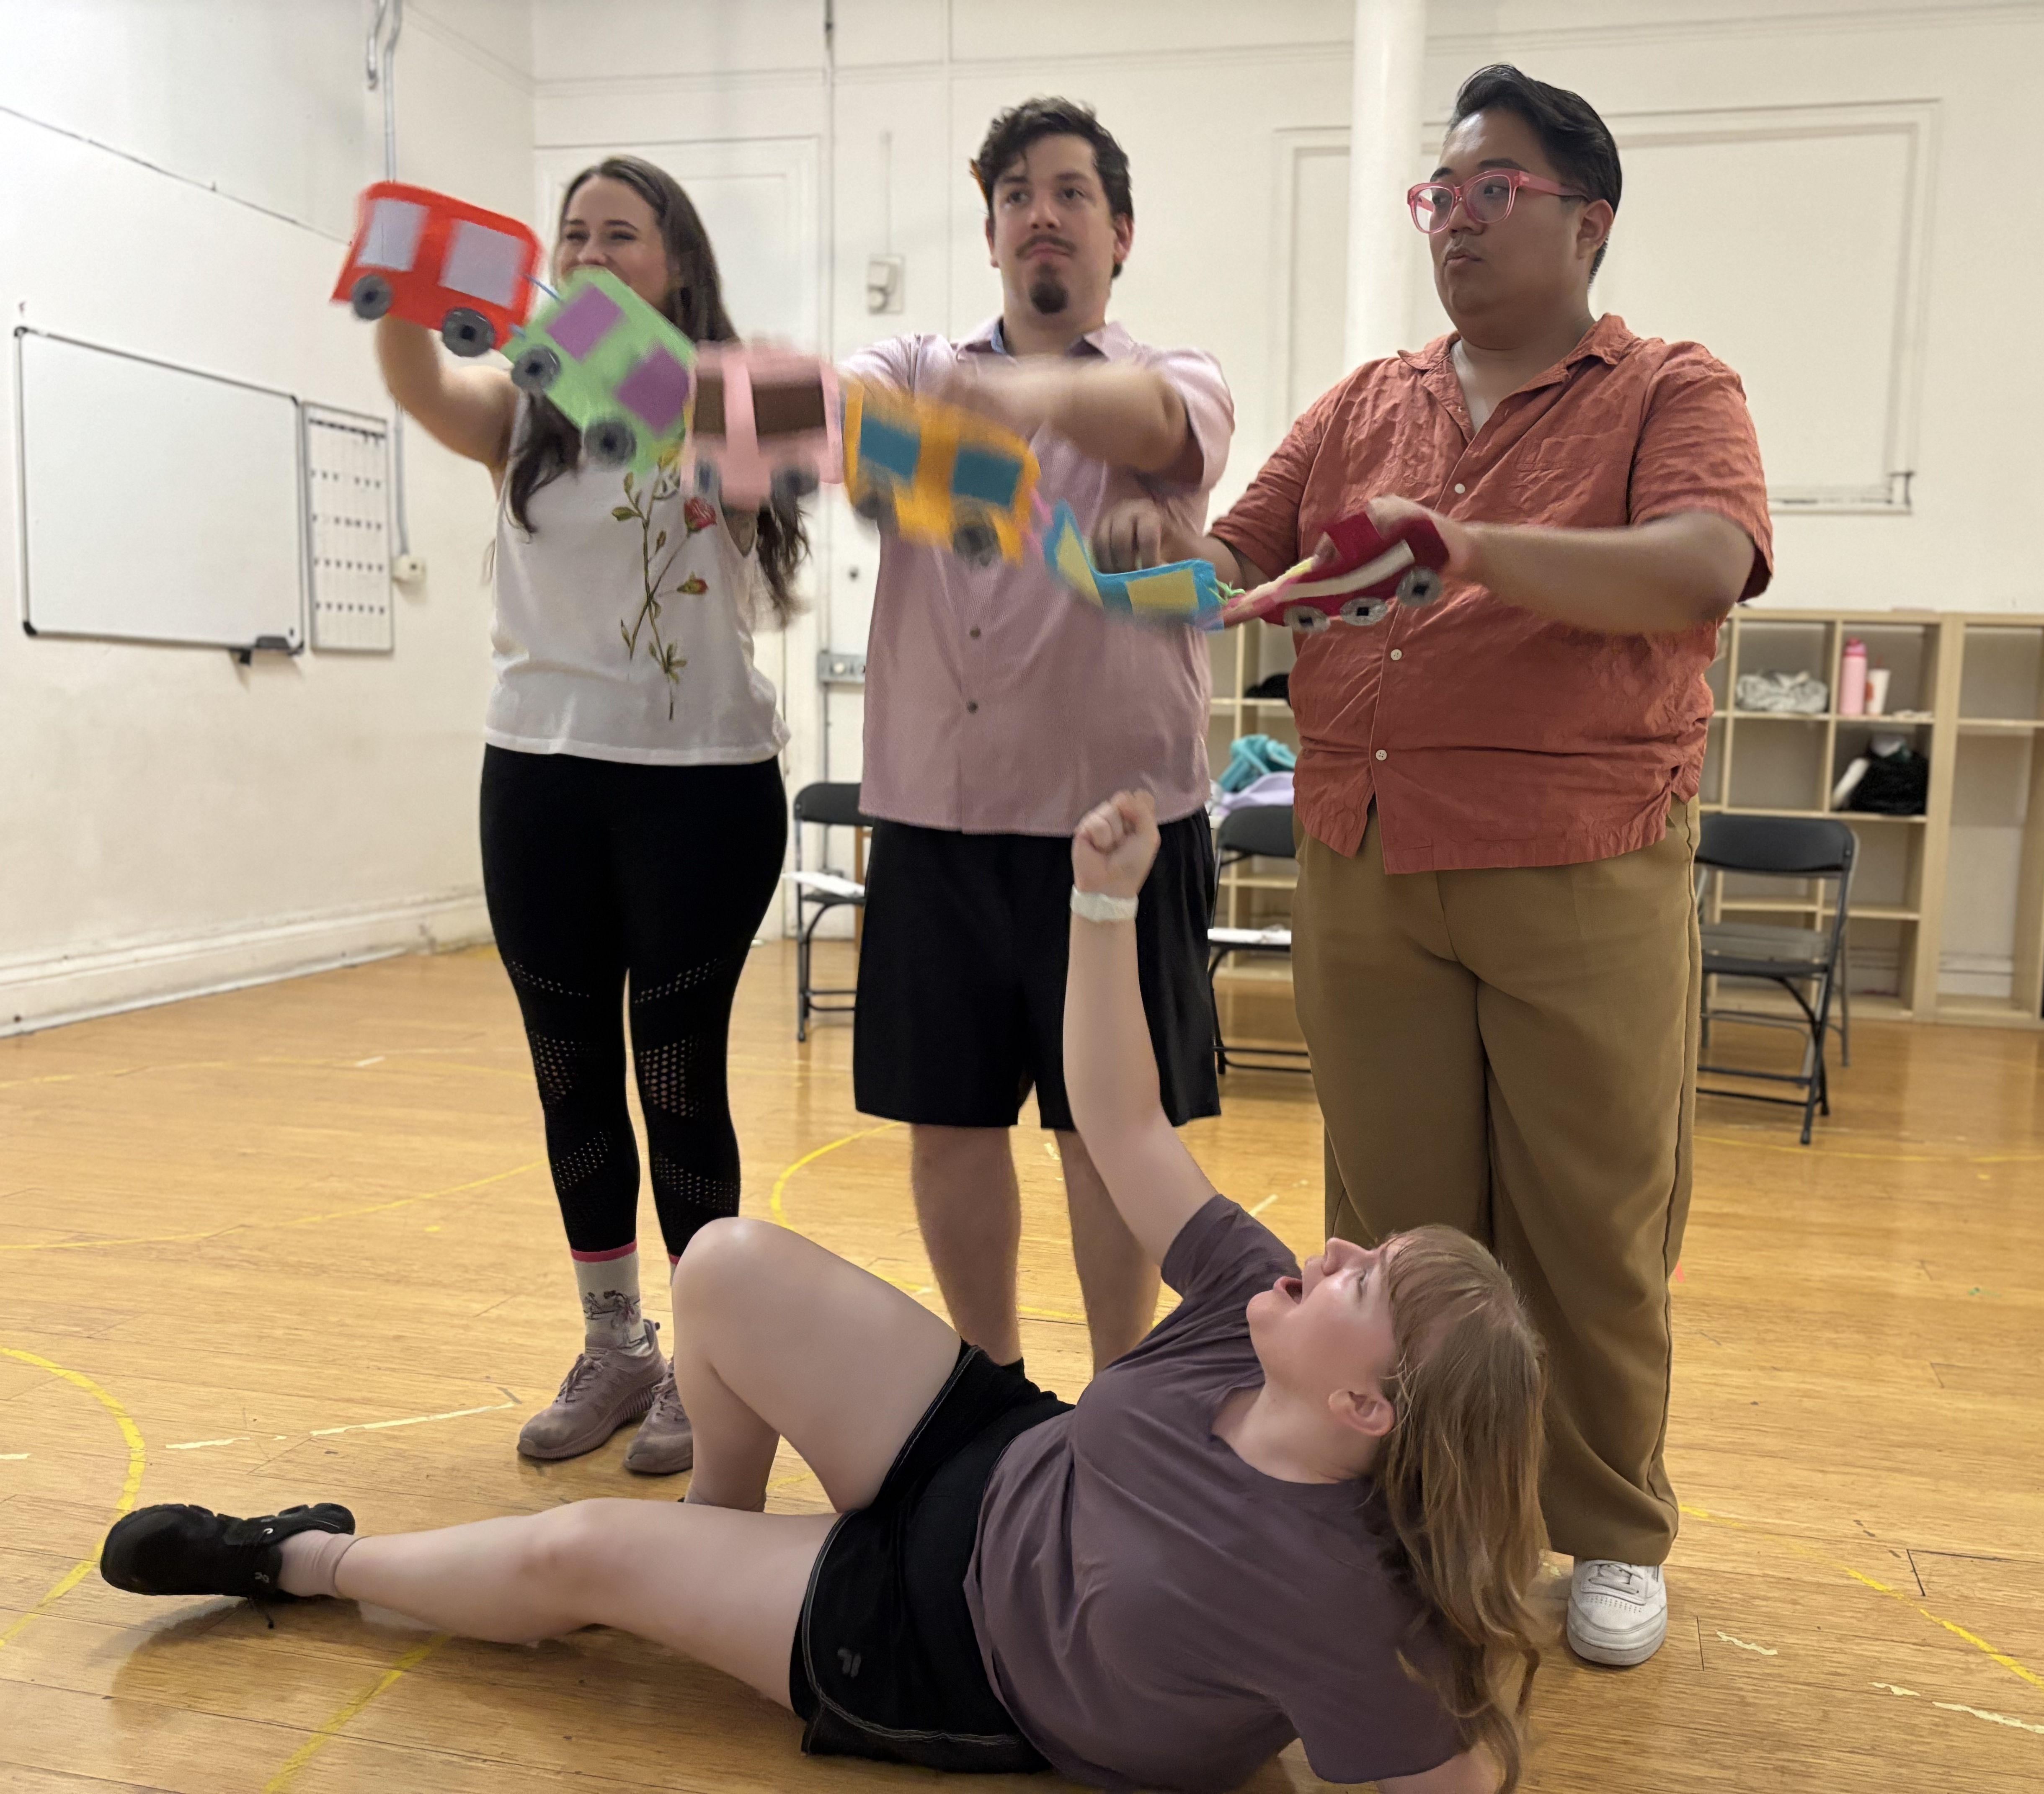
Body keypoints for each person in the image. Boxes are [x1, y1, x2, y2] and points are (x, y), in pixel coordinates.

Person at [100, 791, 1550, 1794]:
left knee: (575, 1560)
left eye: (1378, 1279)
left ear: (1368, 1402)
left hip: (945, 1648)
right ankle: (714, 1552)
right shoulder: (1253, 1292)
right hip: (995, 1454)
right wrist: (1101, 901)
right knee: (717, 1261)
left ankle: (297, 1560)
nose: (1345, 1247)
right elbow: (1117, 1115)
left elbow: (1455, 1766)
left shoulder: (1352, 1612)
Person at [1095, 65, 1774, 1668]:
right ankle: (1413, 1514)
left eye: (1494, 191)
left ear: (1586, 222)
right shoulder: (1364, 402)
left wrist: (1470, 550)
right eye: (1441, 194)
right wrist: (1138, 565)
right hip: (1365, 854)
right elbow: (1238, 556)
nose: (1455, 222)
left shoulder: (1672, 387)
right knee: (1394, 1237)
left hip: (1580, 859)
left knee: (1587, 1222)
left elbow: (1703, 561)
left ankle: (1607, 1528)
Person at [374, 157, 803, 1474]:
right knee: (570, 1071)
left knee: (677, 1072)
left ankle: (709, 1358)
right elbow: (427, 386)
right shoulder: (527, 402)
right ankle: (616, 1343)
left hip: (702, 787)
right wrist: (406, 287)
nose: (592, 250)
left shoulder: (749, 392)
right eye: (574, 234)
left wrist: (580, 329)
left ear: (680, 259)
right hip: (541, 776)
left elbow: (749, 481)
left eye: (623, 233)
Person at [842, 99, 1235, 1376]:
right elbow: (837, 428)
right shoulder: (910, 366)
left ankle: (1125, 1388)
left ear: (1120, 234)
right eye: (1016, 194)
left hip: (1115, 835)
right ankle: (989, 1390)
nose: (1041, 213)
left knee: (1108, 1131)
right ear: (994, 233)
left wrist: (986, 408)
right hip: (936, 822)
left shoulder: (1177, 379)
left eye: (1070, 193)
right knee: (950, 1125)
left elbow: (1149, 433)